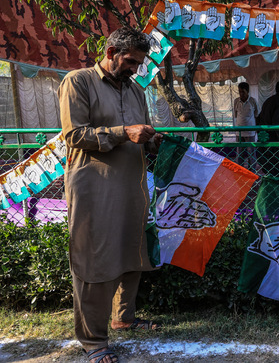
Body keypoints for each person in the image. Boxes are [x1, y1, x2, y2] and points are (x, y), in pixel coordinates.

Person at [59, 27, 162, 363]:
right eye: (130, 61)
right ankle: (93, 341)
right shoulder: (79, 81)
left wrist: (150, 137)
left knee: (131, 252)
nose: (135, 68)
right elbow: (73, 134)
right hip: (94, 188)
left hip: (131, 185)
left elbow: (139, 130)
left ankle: (124, 317)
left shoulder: (135, 90)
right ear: (112, 50)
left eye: (139, 63)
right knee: (94, 259)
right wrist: (124, 132)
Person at [257, 80, 279, 176]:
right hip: (273, 140)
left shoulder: (269, 100)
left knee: (268, 168)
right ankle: (274, 189)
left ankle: (269, 187)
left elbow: (259, 118)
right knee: (274, 168)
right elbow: (277, 123)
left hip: (263, 139)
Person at [233, 82, 259, 170]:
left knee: (251, 154)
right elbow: (235, 115)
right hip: (239, 133)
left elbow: (256, 114)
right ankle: (240, 172)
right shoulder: (236, 101)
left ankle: (252, 173)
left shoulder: (253, 101)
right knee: (239, 154)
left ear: (247, 91)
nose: (241, 94)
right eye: (239, 92)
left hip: (250, 132)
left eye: (243, 92)